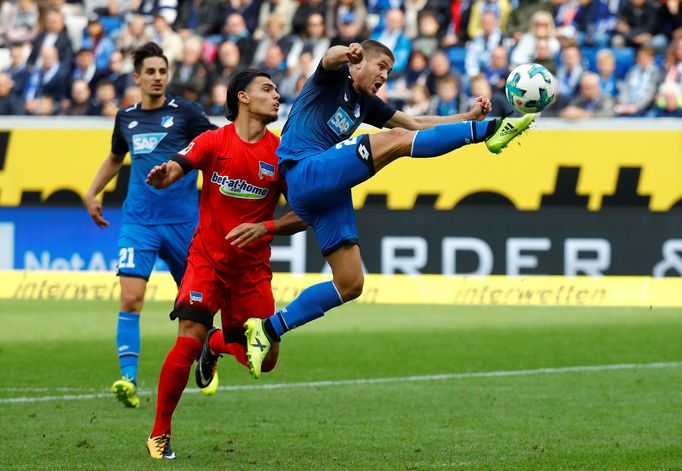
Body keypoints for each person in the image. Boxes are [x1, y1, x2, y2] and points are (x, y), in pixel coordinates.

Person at [242, 40, 536, 379]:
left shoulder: (366, 104)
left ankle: (268, 329)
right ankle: (492, 131)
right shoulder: (330, 80)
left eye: (389, 71)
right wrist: (346, 51)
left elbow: (415, 123)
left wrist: (465, 116)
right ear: (358, 62)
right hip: (303, 172)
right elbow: (329, 57)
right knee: (394, 142)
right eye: (380, 66)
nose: (384, 75)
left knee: (350, 283)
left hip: (327, 190)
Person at [144, 69, 306, 460]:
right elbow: (177, 165)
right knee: (187, 337)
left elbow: (305, 214)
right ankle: (159, 434)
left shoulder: (281, 153)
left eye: (275, 89)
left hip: (251, 271)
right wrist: (166, 174)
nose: (276, 95)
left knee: (265, 361)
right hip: (207, 261)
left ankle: (215, 345)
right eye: (266, 89)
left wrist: (265, 226)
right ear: (243, 98)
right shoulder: (213, 140)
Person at [84, 42, 216, 408]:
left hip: (183, 223)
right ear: (137, 77)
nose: (158, 78)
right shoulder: (126, 117)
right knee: (130, 297)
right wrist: (92, 192)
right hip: (139, 222)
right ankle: (127, 379)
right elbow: (115, 156)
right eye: (151, 72)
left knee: (195, 305)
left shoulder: (187, 113)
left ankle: (207, 353)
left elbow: (215, 148)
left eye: (163, 72)